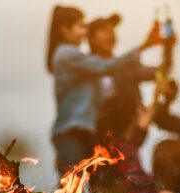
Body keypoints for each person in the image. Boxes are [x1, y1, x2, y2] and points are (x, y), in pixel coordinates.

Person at [46, 6, 159, 177]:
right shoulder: (68, 55)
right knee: (71, 187)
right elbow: (106, 66)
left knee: (84, 186)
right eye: (80, 26)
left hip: (84, 134)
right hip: (72, 133)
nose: (84, 31)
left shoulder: (77, 58)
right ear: (64, 29)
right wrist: (144, 46)